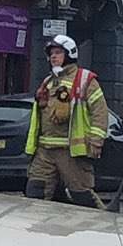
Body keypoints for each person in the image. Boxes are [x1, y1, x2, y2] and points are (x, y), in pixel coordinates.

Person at [25, 35, 108, 208]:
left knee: (81, 195)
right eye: (51, 54)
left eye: (58, 52)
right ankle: (35, 231)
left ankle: (103, 225)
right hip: (45, 150)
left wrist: (96, 140)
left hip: (70, 152)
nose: (53, 57)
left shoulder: (85, 80)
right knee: (35, 193)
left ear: (70, 54)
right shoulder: (48, 81)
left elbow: (99, 112)